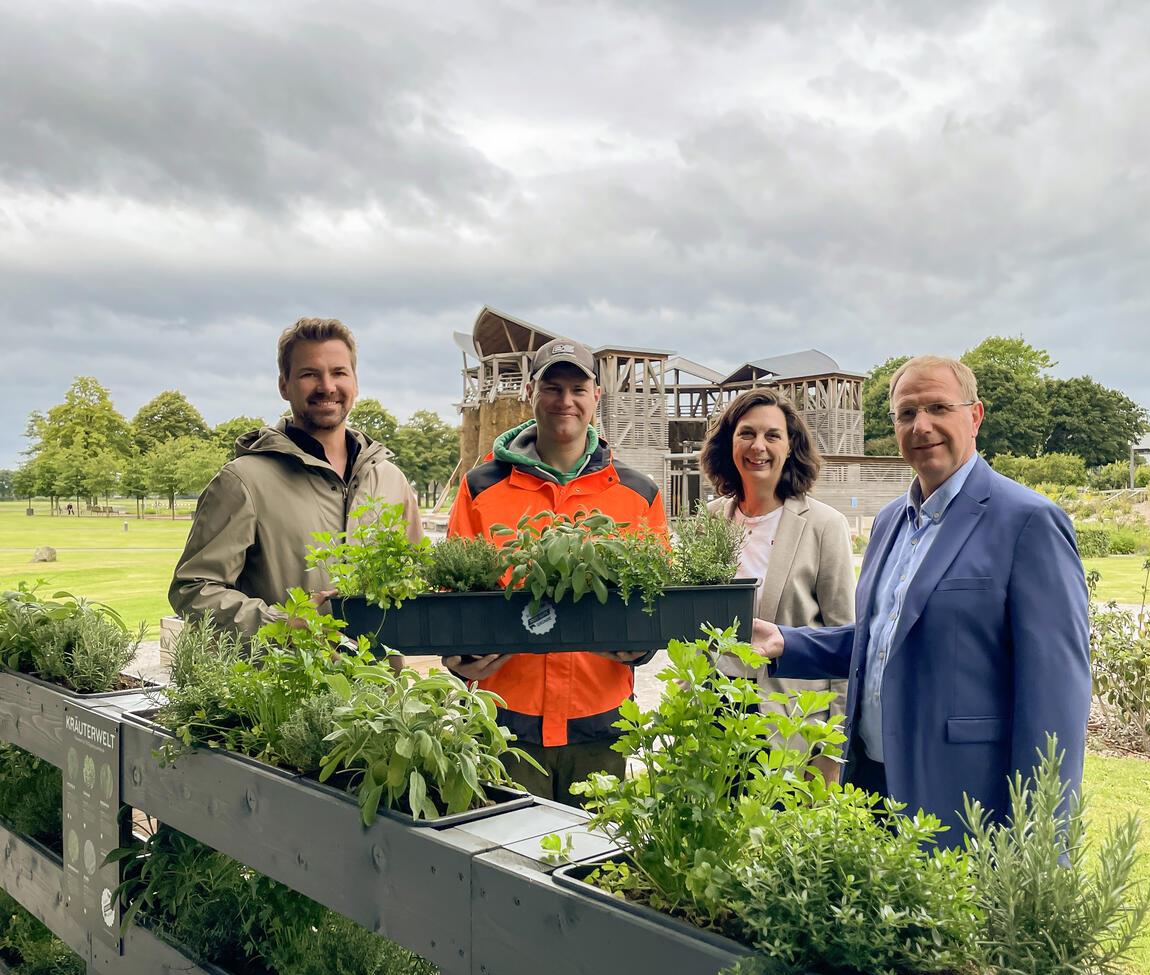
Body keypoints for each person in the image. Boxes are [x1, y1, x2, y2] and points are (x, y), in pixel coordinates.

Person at [752, 355, 1090, 848]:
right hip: (871, 787)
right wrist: (787, 641)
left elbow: (1056, 694)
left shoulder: (1028, 523)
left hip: (963, 798)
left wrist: (1042, 836)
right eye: (907, 414)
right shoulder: (891, 522)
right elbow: (883, 641)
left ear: (975, 416)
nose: (921, 425)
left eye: (937, 408)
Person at [444, 336, 666, 800]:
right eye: (552, 387)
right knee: (503, 864)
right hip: (505, 727)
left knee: (592, 866)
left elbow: (653, 601)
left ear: (596, 398)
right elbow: (455, 596)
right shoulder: (482, 487)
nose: (565, 400)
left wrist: (640, 648)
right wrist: (460, 659)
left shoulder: (637, 492)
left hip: (600, 726)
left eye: (577, 389)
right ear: (530, 392)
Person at [170, 317, 421, 635]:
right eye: (309, 374)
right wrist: (282, 625)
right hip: (285, 682)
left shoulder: (391, 480)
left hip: (379, 683)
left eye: (339, 372)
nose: (327, 386)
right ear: (284, 385)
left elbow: (417, 586)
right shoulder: (242, 482)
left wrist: (459, 653)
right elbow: (193, 589)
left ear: (355, 383)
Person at [699, 387, 855, 781]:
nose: (758, 446)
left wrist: (833, 749)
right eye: (746, 433)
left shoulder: (824, 525)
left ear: (790, 446)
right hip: (715, 720)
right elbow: (692, 629)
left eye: (772, 435)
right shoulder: (710, 520)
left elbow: (846, 642)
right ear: (729, 443)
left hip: (791, 731)